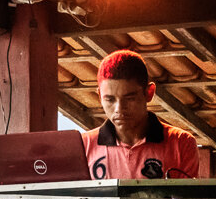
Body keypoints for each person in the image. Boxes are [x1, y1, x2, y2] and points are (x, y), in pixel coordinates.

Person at [83, 49, 200, 180]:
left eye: (129, 98)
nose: (119, 109)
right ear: (99, 96)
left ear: (149, 93)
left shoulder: (181, 143)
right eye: (110, 99)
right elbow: (70, 198)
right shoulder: (83, 146)